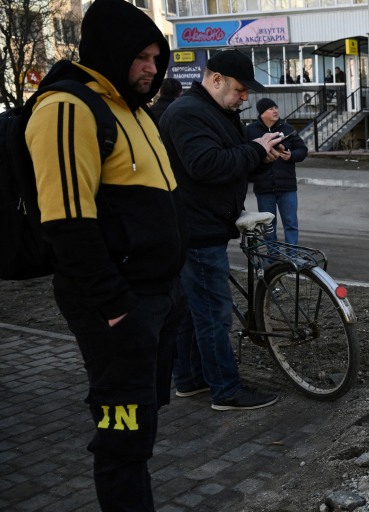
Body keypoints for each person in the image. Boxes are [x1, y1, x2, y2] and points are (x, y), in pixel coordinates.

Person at [24, 0, 186, 509]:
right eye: (141, 57)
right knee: (122, 437)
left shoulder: (132, 109)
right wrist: (116, 308)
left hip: (157, 297)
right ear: (109, 51)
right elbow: (67, 225)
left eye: (157, 57)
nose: (151, 69)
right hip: (118, 306)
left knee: (142, 424)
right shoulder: (67, 108)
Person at [160, 49, 286, 411]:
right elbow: (205, 165)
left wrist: (262, 158)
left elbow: (234, 162)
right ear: (216, 80)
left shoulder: (216, 112)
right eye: (240, 89)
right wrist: (254, 150)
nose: (245, 97)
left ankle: (190, 379)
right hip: (196, 229)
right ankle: (226, 391)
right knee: (214, 313)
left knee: (192, 309)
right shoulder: (187, 113)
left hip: (202, 224)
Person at [246, 98, 308, 245]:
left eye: (276, 107)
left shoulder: (287, 129)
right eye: (270, 109)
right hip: (263, 187)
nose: (275, 111)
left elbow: (302, 150)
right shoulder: (250, 131)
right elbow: (245, 153)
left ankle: (292, 255)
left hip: (287, 187)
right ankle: (272, 256)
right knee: (268, 226)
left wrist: (292, 155)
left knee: (291, 223)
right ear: (262, 113)